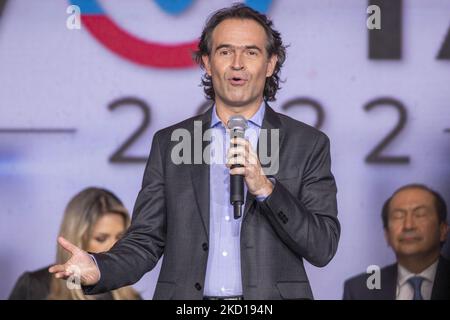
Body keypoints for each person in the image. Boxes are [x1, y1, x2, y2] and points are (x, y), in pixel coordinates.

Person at [49, 4, 340, 300]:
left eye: (251, 52)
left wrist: (266, 189)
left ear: (270, 64)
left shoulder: (307, 143)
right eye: (225, 52)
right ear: (207, 62)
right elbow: (145, 240)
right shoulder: (171, 142)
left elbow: (322, 246)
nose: (237, 63)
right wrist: (100, 268)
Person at [9, 187, 141, 300]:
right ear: (76, 239)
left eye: (120, 237)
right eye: (101, 238)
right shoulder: (33, 287)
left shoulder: (130, 296)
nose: (114, 246)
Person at [343, 184, 450, 300]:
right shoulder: (359, 290)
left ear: (443, 230)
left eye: (420, 215)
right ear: (387, 235)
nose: (408, 225)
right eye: (399, 216)